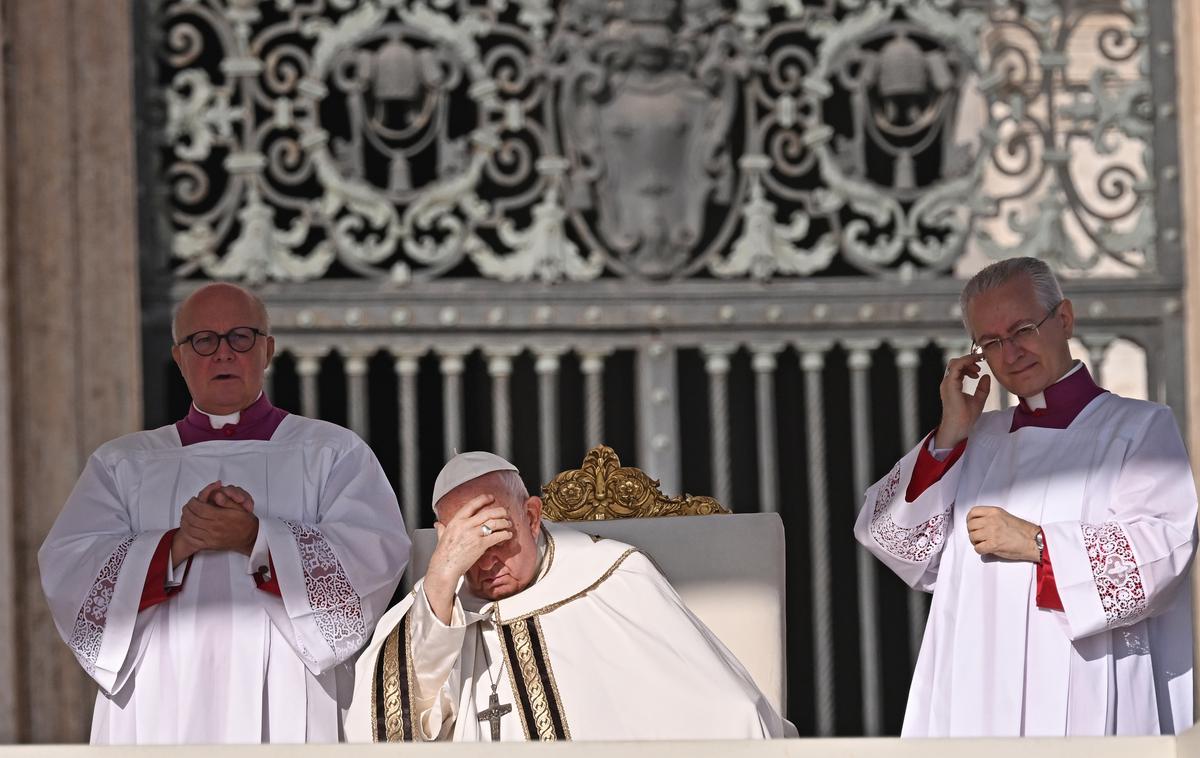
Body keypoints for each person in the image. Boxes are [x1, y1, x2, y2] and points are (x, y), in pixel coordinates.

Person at [38, 283, 410, 744]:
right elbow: (70, 569)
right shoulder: (123, 464)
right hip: (158, 689)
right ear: (179, 357)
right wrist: (176, 545)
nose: (223, 354)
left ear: (267, 349)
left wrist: (257, 538)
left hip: (290, 684)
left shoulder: (332, 452)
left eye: (240, 337)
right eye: (203, 340)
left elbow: (372, 555)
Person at [855, 257, 1196, 736]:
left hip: (1083, 683)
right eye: (991, 342)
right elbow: (893, 540)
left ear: (1064, 319)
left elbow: (1165, 550)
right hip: (974, 687)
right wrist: (950, 432)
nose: (1010, 352)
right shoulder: (973, 440)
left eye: (1022, 330)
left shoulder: (1137, 428)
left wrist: (1040, 543)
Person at [346, 451, 791, 741]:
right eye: (468, 549)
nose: (484, 565)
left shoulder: (613, 576)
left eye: (498, 539)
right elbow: (385, 731)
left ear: (533, 516)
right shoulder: (433, 607)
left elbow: (727, 712)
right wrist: (441, 579)